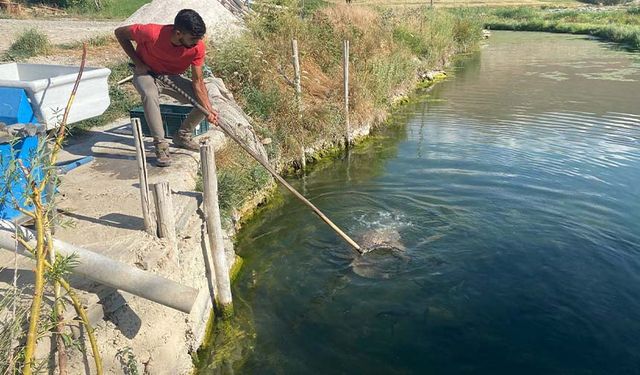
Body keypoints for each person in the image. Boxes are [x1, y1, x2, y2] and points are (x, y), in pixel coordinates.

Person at [115, 9, 218, 167]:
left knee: (203, 104)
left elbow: (198, 82)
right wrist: (138, 62)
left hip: (171, 78)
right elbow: (119, 33)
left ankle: (182, 135)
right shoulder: (151, 33)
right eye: (192, 39)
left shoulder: (197, 47)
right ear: (178, 33)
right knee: (150, 95)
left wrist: (208, 110)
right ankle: (161, 145)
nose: (196, 43)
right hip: (147, 74)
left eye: (199, 38)